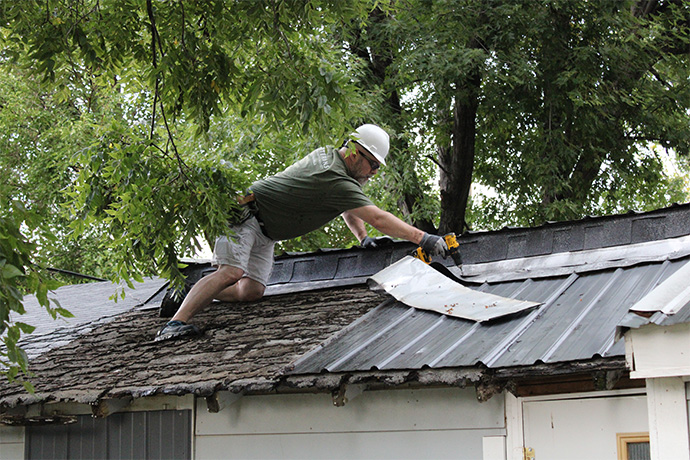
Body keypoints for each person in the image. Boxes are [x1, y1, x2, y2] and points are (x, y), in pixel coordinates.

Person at [155, 124, 449, 341]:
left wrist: (362, 238)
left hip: (265, 230)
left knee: (251, 291)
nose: (374, 173)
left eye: (377, 168)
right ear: (356, 152)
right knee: (232, 272)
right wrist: (424, 238)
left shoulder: (332, 161)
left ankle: (189, 289)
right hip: (244, 216)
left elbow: (349, 208)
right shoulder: (332, 177)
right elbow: (376, 217)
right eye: (373, 165)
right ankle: (175, 324)